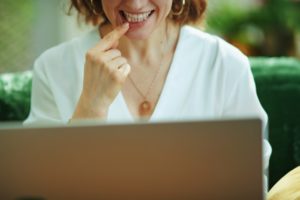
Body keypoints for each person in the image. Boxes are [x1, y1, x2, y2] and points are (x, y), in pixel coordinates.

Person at [24, 0, 271, 191]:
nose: (135, 3)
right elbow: (42, 190)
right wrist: (91, 107)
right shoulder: (53, 68)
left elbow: (249, 183)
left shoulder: (225, 64)